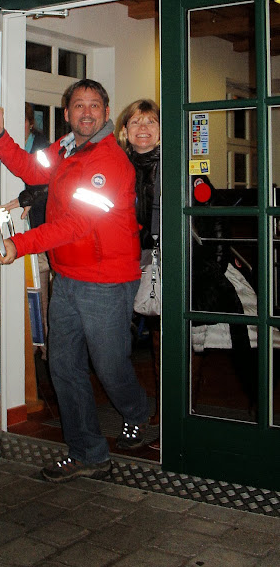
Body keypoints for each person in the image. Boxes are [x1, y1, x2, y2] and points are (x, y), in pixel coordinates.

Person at [0, 79, 149, 483]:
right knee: (63, 365)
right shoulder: (65, 148)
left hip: (106, 280)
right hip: (67, 277)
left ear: (105, 112)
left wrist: (20, 243)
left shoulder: (109, 162)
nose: (85, 112)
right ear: (66, 113)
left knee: (109, 365)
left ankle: (138, 413)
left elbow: (77, 224)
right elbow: (30, 169)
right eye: (78, 105)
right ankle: (88, 453)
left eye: (94, 105)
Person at [116, 99, 161, 439]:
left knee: (166, 335)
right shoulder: (116, 164)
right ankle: (133, 405)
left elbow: (207, 207)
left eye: (150, 122)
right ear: (125, 131)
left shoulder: (180, 164)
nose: (143, 129)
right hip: (125, 258)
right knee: (117, 336)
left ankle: (169, 405)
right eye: (136, 123)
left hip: (166, 257)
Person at [1, 103, 50, 355]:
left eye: (23, 120)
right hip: (14, 230)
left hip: (41, 230)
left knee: (39, 293)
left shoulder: (42, 147)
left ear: (31, 123)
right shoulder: (11, 147)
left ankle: (43, 350)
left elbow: (50, 183)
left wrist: (32, 197)